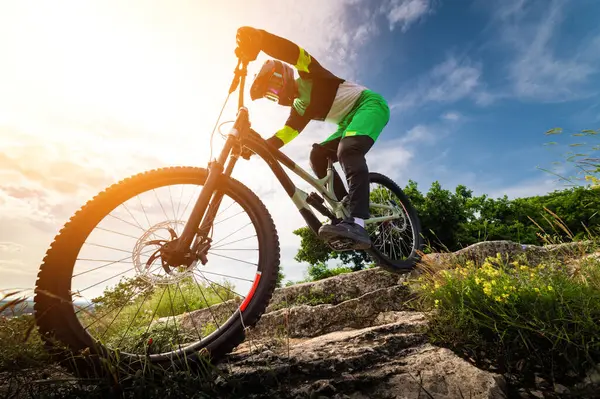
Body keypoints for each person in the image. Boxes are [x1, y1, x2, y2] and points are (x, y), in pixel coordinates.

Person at [235, 26, 390, 250]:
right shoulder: (299, 109)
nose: (276, 96)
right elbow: (284, 135)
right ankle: (346, 208)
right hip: (348, 123)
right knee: (317, 155)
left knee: (347, 150)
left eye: (274, 87)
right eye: (271, 95)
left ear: (284, 75)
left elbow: (291, 51)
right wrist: (254, 147)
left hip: (369, 105)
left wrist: (260, 39)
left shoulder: (310, 74)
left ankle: (357, 222)